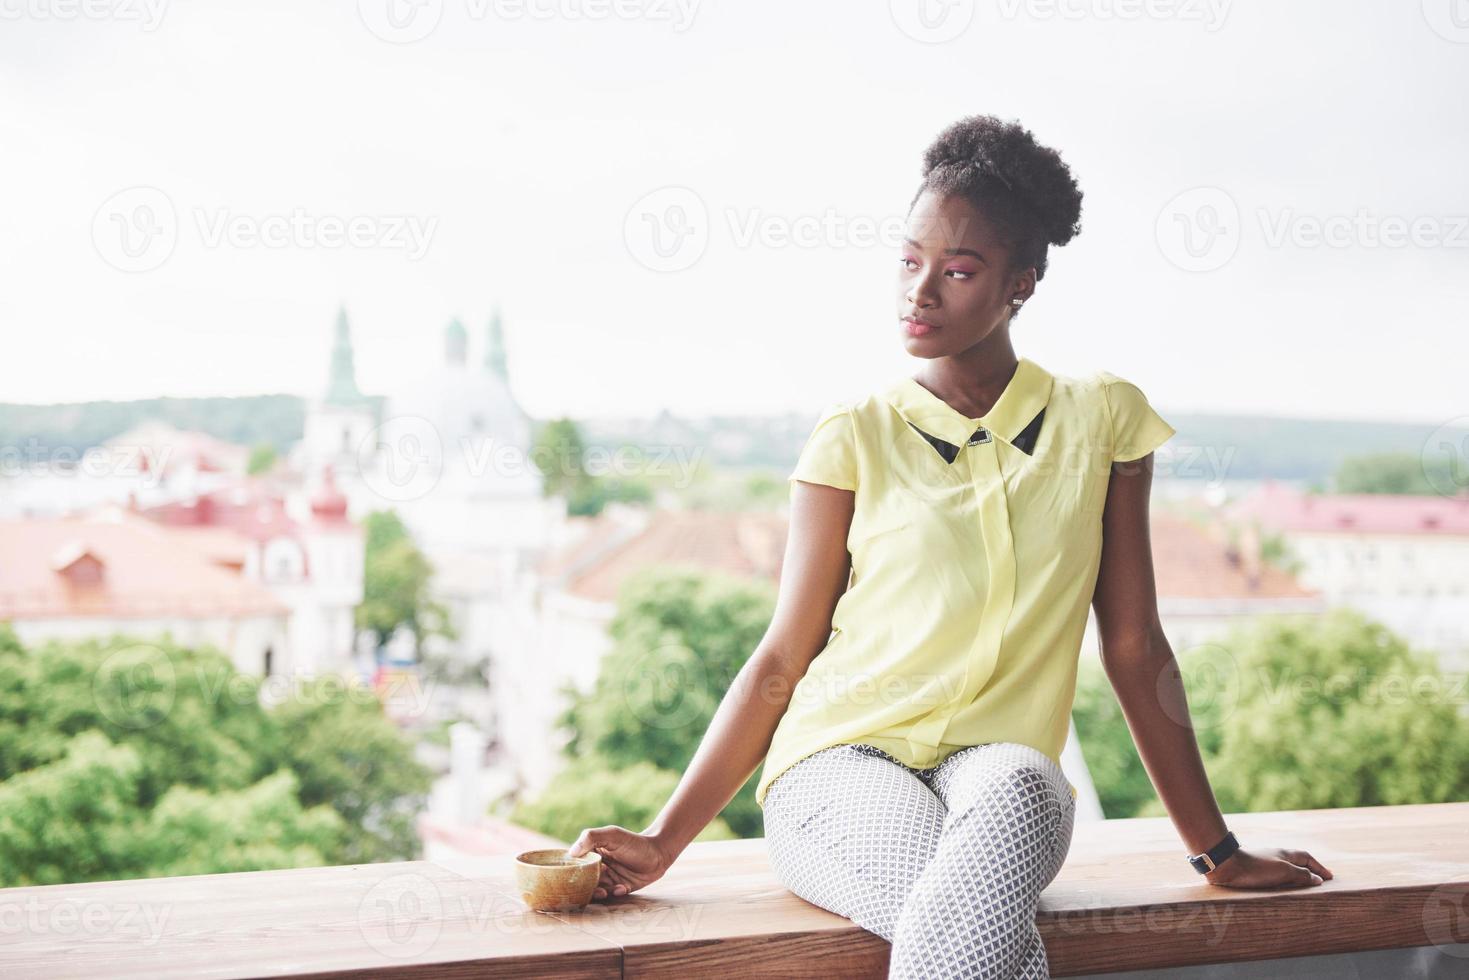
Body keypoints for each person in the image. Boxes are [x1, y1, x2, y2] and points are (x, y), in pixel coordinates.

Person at [568, 114, 1333, 978]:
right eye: (908, 260)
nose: (918, 292)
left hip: (1004, 767)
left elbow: (1133, 644)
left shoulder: (1103, 419)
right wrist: (666, 839)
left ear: (1023, 284)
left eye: (958, 270)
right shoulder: (852, 433)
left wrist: (1216, 851)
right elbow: (785, 648)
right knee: (965, 920)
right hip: (839, 762)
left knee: (1011, 800)